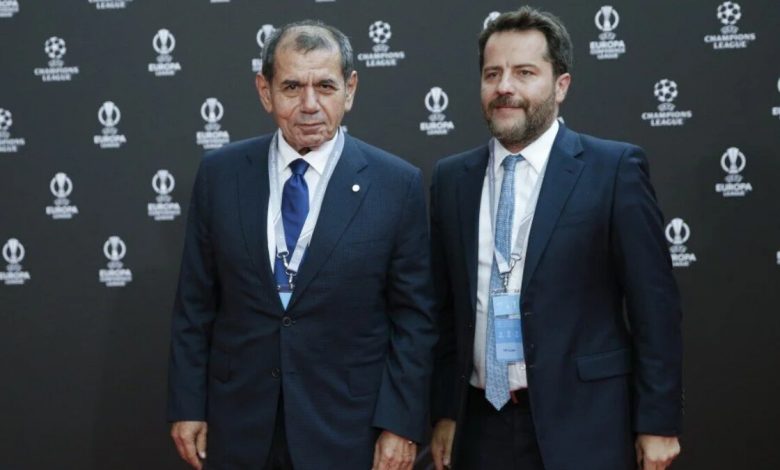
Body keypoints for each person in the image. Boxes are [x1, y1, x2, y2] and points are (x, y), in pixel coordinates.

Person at [167, 20, 436, 470]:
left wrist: (401, 423)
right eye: (292, 87)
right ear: (265, 91)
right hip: (239, 425)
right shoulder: (221, 174)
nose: (309, 105)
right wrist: (187, 404)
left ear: (350, 90)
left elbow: (414, 319)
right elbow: (195, 305)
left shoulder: (396, 184)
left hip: (348, 430)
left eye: (325, 86)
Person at [429, 7, 682, 470]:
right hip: (479, 427)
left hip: (584, 425)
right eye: (492, 74)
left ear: (560, 85)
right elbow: (445, 312)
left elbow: (655, 307)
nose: (504, 87)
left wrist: (658, 422)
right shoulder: (452, 179)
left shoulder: (613, 170)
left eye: (524, 73)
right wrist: (446, 411)